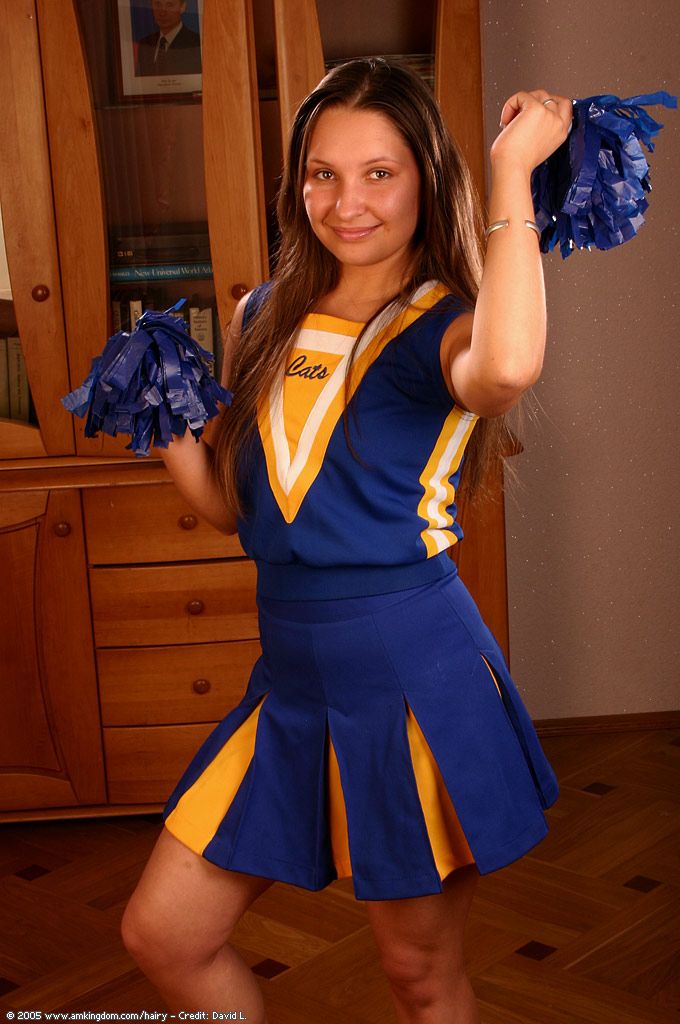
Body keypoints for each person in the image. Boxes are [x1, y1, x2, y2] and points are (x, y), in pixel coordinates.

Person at [121, 57, 570, 1023]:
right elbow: (242, 511)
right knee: (164, 935)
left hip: (412, 684)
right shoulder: (260, 314)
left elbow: (505, 370)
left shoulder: (448, 325)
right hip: (289, 682)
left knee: (419, 978)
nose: (346, 202)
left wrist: (511, 172)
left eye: (379, 173)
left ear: (425, 180)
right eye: (322, 174)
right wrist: (163, 419)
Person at [135, 0, 201, 78]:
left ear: (182, 7)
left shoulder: (197, 43)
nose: (162, 13)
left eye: (170, 5)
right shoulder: (144, 44)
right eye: (157, 4)